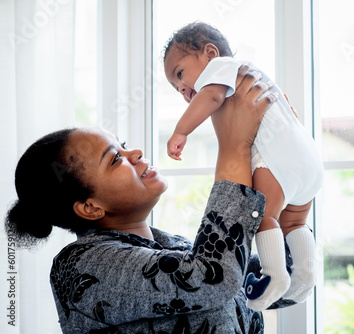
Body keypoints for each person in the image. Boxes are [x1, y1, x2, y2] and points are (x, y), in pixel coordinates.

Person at [5, 67, 294, 334]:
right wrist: (234, 145)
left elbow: (282, 281)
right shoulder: (82, 265)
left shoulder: (172, 246)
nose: (136, 153)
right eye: (116, 158)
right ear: (90, 207)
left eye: (124, 146)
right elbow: (213, 277)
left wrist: (283, 153)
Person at [163, 21, 323, 310]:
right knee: (295, 223)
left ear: (210, 53)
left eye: (180, 74)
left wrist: (181, 130)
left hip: (278, 162)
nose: (183, 88)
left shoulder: (222, 69)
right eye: (176, 87)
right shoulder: (251, 74)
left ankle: (274, 276)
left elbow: (210, 97)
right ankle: (305, 275)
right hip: (308, 161)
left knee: (262, 217)